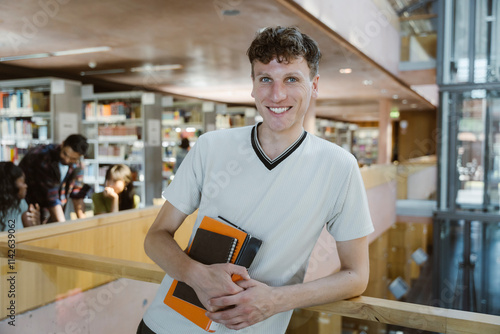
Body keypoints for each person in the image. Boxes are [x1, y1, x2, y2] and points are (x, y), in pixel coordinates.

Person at [139, 26, 374, 334]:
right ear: (252, 85)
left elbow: (356, 275)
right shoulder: (211, 146)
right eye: (266, 79)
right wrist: (196, 275)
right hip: (164, 326)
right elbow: (156, 238)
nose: (277, 95)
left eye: (291, 79)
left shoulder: (339, 167)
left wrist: (276, 300)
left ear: (314, 85)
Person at [19, 134, 89, 223]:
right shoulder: (42, 157)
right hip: (29, 207)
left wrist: (84, 223)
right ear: (63, 144)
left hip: (53, 209)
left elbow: (77, 194)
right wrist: (63, 228)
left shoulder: (78, 164)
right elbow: (51, 197)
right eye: (65, 154)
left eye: (72, 158)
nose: (67, 160)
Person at [0, 161, 42, 231]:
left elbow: (31, 232)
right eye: (23, 182)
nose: (26, 186)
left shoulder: (21, 203)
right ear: (10, 185)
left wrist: (37, 224)